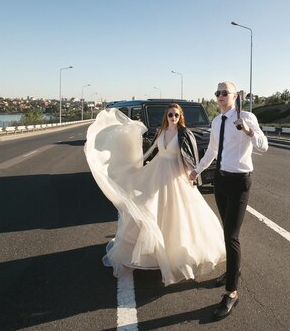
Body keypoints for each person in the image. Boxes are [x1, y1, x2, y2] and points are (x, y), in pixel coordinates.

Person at [84, 103, 226, 286]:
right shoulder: (161, 131)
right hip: (157, 170)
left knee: (177, 213)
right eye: (170, 115)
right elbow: (153, 151)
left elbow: (190, 156)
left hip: (175, 176)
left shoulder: (184, 133)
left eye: (176, 115)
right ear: (166, 116)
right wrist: (135, 162)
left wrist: (193, 174)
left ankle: (177, 253)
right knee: (150, 207)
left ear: (180, 116)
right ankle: (151, 253)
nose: (173, 118)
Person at [189, 81, 268, 320]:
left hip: (239, 182)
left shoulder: (247, 117)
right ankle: (234, 271)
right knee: (226, 231)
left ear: (234, 96)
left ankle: (232, 292)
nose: (220, 96)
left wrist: (247, 130)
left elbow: (264, 147)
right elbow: (212, 151)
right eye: (217, 93)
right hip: (220, 180)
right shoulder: (215, 121)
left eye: (225, 92)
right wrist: (198, 170)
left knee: (232, 235)